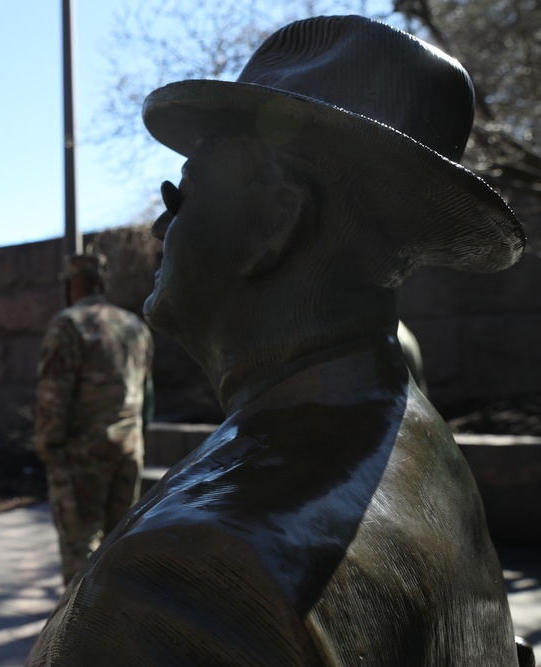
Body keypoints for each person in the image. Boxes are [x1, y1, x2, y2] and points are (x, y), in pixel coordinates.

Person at [28, 16, 532, 666]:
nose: (160, 225)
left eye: (181, 191)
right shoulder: (418, 434)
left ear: (275, 218)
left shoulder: (176, 589)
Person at [33, 251, 154, 585]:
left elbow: (52, 401)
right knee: (120, 544)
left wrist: (49, 450)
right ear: (102, 283)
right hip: (129, 450)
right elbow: (147, 399)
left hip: (82, 459)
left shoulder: (69, 324)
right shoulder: (134, 326)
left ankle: (83, 632)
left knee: (81, 552)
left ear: (71, 284)